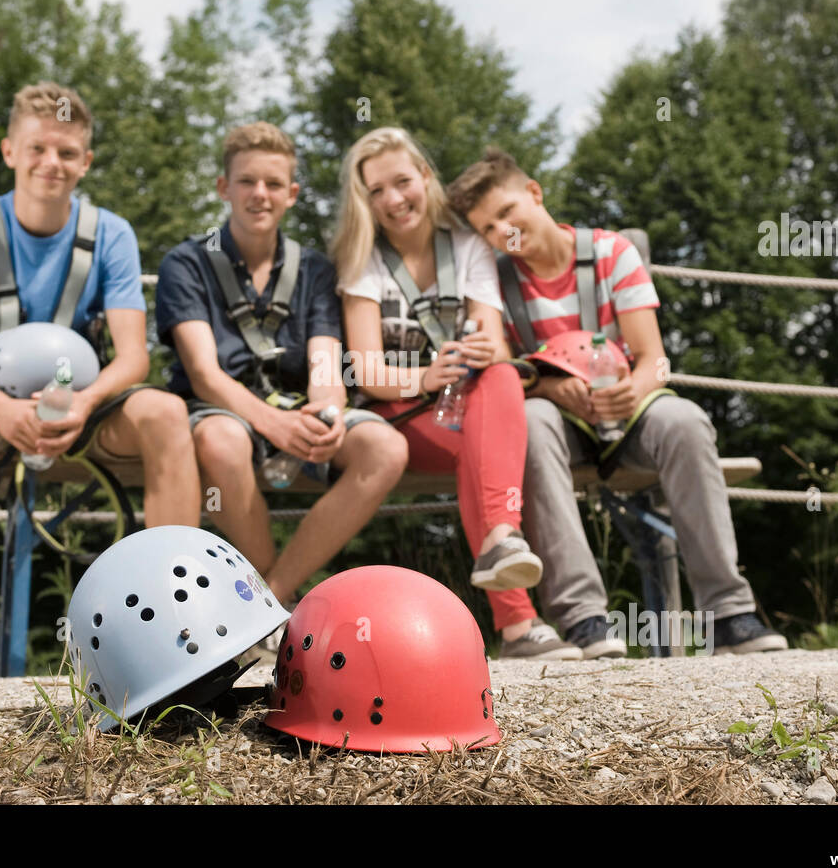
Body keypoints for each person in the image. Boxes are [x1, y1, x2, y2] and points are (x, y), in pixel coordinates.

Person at [0, 82, 200, 683]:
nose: (50, 163)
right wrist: (3, 413)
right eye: (37, 148)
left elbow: (133, 357)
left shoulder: (112, 233)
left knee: (164, 411)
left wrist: (83, 403)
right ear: (9, 151)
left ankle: (173, 624)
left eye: (66, 152)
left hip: (81, 410)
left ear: (85, 162)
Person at [446, 147, 789, 656]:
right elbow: (502, 372)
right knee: (532, 418)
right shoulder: (493, 277)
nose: (502, 232)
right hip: (557, 424)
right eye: (488, 228)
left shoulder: (611, 252)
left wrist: (636, 387)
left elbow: (654, 358)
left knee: (687, 421)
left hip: (630, 414)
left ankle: (729, 614)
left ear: (535, 194)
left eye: (506, 212)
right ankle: (585, 619)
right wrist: (547, 387)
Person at [333, 126, 585, 660]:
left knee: (499, 375)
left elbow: (493, 341)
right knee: (487, 445)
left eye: (402, 181)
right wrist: (424, 376)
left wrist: (470, 352)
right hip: (396, 417)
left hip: (467, 406)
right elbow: (366, 370)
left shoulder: (468, 246)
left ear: (426, 176)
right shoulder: (364, 259)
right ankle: (516, 619)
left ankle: (501, 544)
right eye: (376, 191)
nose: (393, 200)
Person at [155, 122, 409, 606]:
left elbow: (325, 364)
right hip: (221, 410)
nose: (259, 194)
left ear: (291, 194)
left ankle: (270, 595)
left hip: (296, 408)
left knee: (384, 447)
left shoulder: (314, 269)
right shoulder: (185, 262)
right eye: (247, 181)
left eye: (273, 184)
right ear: (223, 188)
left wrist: (327, 414)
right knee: (220, 440)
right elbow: (206, 376)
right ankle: (273, 609)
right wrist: (275, 424)